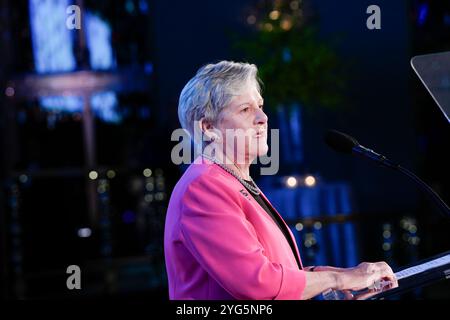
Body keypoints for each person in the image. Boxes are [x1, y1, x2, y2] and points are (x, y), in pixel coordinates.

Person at [164, 60, 398, 300]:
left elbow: (273, 274)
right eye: (245, 109)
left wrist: (329, 276)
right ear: (208, 127)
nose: (263, 117)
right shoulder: (203, 187)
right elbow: (257, 283)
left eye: (260, 106)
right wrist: (339, 278)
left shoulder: (232, 180)